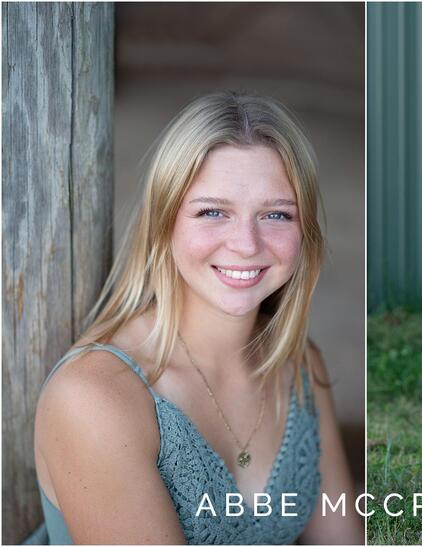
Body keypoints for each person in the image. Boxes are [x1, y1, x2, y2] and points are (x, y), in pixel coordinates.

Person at [34, 92, 363, 544]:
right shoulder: (95, 397)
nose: (246, 244)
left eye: (276, 214)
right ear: (164, 221)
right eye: (212, 212)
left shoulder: (300, 366)